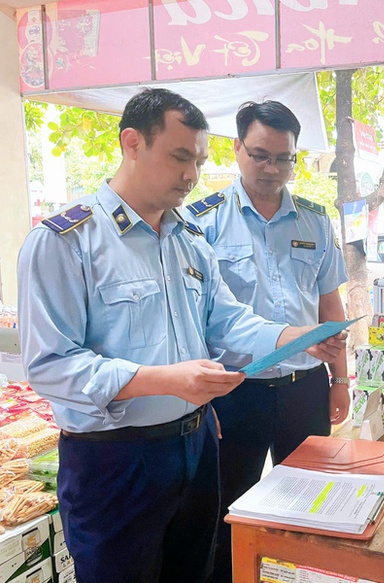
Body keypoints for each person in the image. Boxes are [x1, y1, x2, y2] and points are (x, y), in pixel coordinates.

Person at [17, 89, 345, 583]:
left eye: (199, 160)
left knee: (199, 570)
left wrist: (294, 336)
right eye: (180, 157)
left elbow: (228, 320)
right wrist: (162, 380)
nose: (192, 175)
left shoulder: (187, 240)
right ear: (132, 143)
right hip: (116, 461)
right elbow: (50, 366)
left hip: (195, 449)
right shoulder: (67, 241)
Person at [183, 100, 349, 583]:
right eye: (260, 155)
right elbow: (191, 319)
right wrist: (200, 399)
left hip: (305, 387)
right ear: (235, 149)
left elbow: (329, 308)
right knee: (229, 508)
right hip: (234, 390)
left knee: (314, 501)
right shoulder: (202, 221)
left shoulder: (315, 221)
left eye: (284, 158)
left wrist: (339, 381)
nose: (272, 169)